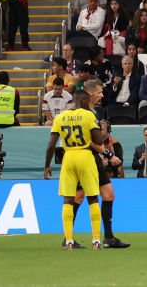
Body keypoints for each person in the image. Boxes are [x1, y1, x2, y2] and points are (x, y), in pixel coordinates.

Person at [44, 90, 105, 250]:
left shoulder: (60, 117)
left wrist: (47, 165)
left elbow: (51, 145)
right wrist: (96, 131)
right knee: (92, 198)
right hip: (85, 156)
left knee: (68, 199)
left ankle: (69, 240)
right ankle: (96, 240)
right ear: (84, 101)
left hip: (68, 157)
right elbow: (98, 140)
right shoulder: (88, 115)